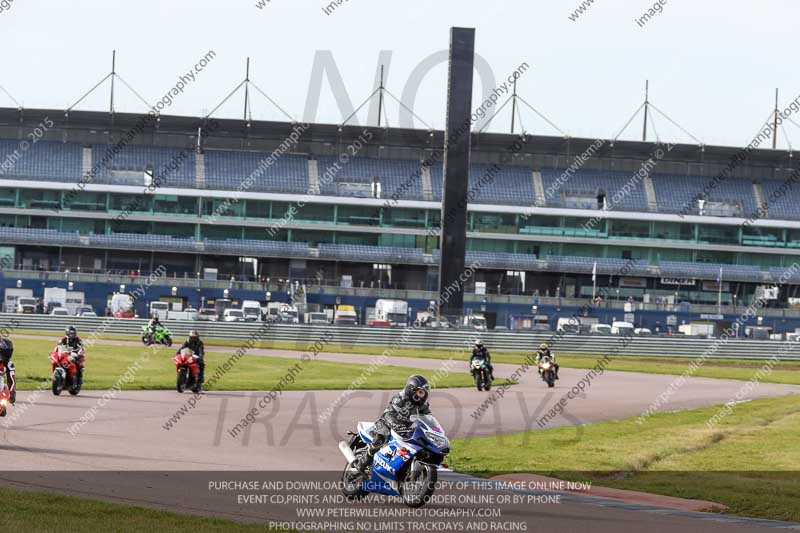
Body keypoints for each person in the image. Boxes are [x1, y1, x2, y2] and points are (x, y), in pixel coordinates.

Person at [355, 375, 432, 474]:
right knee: (381, 438)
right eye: (420, 392)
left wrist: (432, 429)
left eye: (424, 393)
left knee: (416, 445)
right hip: (386, 423)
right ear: (412, 390)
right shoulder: (400, 398)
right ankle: (362, 463)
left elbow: (428, 418)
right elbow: (390, 414)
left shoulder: (423, 405)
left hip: (405, 429)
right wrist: (396, 425)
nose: (423, 396)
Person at [0, 338, 16, 405]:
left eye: (8, 353)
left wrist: (12, 393)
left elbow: (11, 378)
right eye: (4, 353)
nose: (6, 355)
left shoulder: (9, 363)